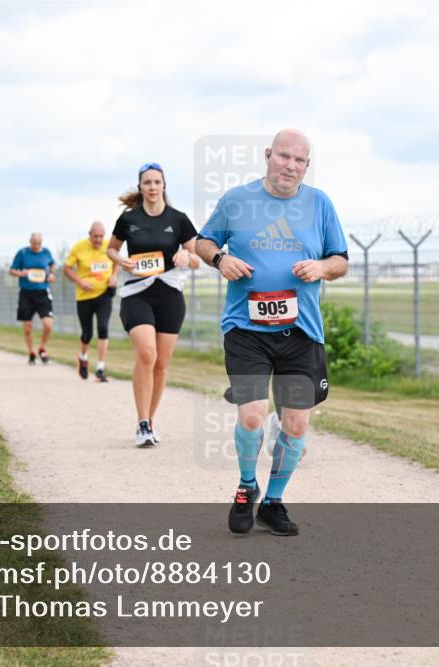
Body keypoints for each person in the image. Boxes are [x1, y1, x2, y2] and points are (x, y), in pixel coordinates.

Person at [195, 129, 349, 537]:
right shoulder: (237, 200)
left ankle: (274, 502)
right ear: (268, 156)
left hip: (300, 331)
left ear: (307, 165)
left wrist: (321, 268)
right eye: (284, 156)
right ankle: (247, 487)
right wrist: (220, 260)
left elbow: (340, 260)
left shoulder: (320, 204)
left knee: (296, 424)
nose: (290, 166)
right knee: (251, 415)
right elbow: (203, 241)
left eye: (299, 160)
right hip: (246, 328)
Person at [107, 162, 199, 447]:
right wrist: (119, 260)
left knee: (162, 363)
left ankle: (150, 422)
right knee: (147, 354)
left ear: (164, 186)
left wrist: (186, 257)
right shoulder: (128, 219)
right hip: (137, 292)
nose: (152, 187)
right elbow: (111, 248)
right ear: (140, 187)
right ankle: (141, 422)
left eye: (156, 182)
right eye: (147, 183)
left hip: (170, 294)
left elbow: (197, 258)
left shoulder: (179, 219)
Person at [64, 221, 118, 381]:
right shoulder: (79, 247)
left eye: (101, 236)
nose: (99, 240)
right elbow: (66, 268)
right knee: (87, 333)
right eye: (96, 236)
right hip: (84, 296)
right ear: (90, 235)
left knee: (103, 327)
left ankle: (100, 367)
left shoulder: (109, 246)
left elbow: (117, 262)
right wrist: (79, 281)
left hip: (104, 294)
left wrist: (114, 276)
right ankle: (83, 357)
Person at [10, 233, 57, 365]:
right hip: (26, 293)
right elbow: (12, 270)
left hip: (42, 292)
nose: (36, 246)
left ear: (41, 243)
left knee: (48, 325)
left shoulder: (46, 252)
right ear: (30, 242)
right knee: (28, 327)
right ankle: (31, 352)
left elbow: (53, 265)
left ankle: (42, 348)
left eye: (38, 244)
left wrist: (52, 274)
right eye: (34, 243)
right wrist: (21, 273)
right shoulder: (23, 253)